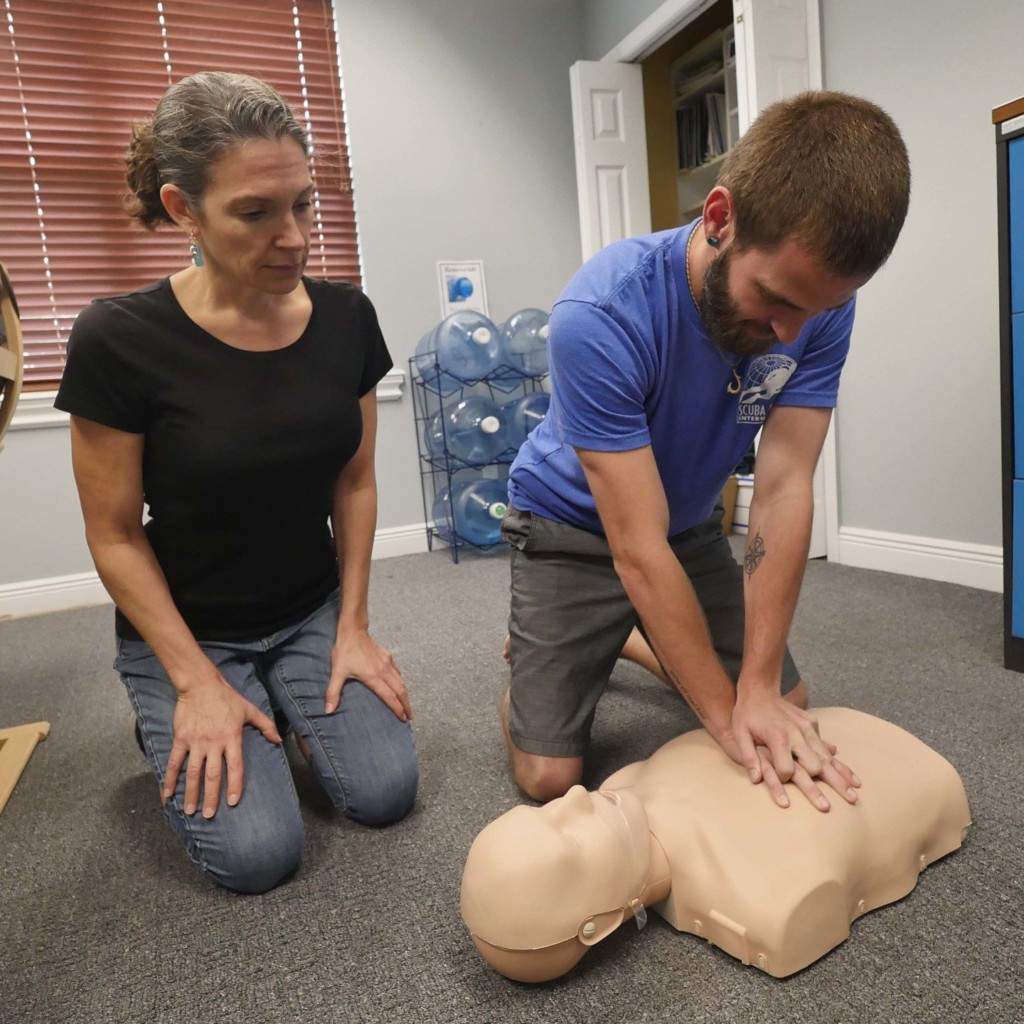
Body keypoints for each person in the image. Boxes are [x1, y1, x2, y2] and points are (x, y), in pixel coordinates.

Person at [54, 72, 418, 894]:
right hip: (189, 628)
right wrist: (191, 680)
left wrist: (354, 626)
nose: (293, 236)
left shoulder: (348, 318)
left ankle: (285, 696)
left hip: (310, 608)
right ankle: (176, 710)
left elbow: (355, 482)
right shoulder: (119, 338)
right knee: (259, 858)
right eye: (256, 213)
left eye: (304, 203)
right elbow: (113, 533)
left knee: (385, 795)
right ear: (183, 209)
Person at [501, 91, 911, 809]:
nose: (794, 333)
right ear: (719, 218)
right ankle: (541, 671)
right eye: (777, 299)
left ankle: (627, 640)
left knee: (789, 699)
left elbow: (784, 485)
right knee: (550, 777)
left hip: (684, 525)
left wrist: (755, 689)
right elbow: (635, 546)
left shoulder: (819, 304)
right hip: (571, 526)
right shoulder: (599, 314)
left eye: (814, 311)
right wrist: (726, 720)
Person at [462, 707, 972, 982]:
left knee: (787, 693)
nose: (575, 796)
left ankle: (631, 641)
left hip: (845, 735)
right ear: (595, 927)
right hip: (916, 778)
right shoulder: (762, 900)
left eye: (547, 810)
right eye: (569, 837)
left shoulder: (626, 786)